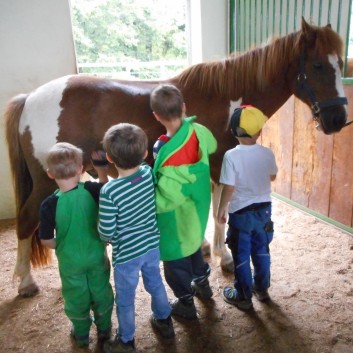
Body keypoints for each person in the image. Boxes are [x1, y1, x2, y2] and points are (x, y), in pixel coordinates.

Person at [98, 123, 174, 353]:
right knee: (156, 283)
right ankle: (164, 320)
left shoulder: (110, 191)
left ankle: (126, 341)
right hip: (151, 246)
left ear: (109, 158)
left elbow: (107, 231)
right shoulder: (147, 173)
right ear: (144, 154)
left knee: (125, 299)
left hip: (126, 256)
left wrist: (103, 235)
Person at [150, 84, 217, 320]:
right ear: (184, 108)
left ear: (157, 116)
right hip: (197, 212)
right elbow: (213, 145)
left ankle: (186, 303)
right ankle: (203, 286)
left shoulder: (163, 150)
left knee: (176, 261)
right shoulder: (198, 131)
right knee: (195, 247)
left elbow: (165, 200)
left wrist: (149, 202)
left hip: (175, 222)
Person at [38, 142, 114, 348]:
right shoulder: (92, 190)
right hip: (96, 256)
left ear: (50, 174)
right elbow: (106, 191)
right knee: (101, 290)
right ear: (81, 170)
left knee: (75, 295)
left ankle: (81, 334)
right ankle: (105, 330)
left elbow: (46, 240)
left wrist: (62, 245)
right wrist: (101, 171)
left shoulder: (48, 204)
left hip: (70, 262)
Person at [216, 105, 278, 311]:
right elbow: (272, 176)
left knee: (241, 255)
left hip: (240, 214)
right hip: (264, 212)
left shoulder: (231, 156)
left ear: (233, 131)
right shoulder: (267, 153)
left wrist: (221, 209)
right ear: (259, 131)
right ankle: (261, 289)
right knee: (262, 250)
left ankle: (243, 296)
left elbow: (229, 186)